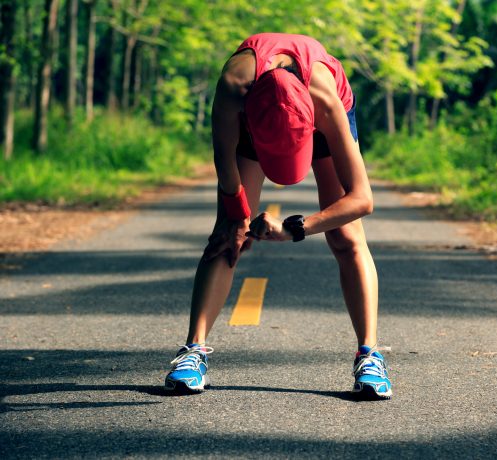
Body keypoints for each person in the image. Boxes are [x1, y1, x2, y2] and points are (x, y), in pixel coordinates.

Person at [163, 33, 391, 400]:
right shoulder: (233, 87)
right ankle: (193, 351)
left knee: (346, 238)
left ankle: (370, 355)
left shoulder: (326, 101)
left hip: (315, 120)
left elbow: (362, 199)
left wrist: (292, 229)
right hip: (257, 121)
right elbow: (226, 169)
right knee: (226, 236)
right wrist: (238, 218)